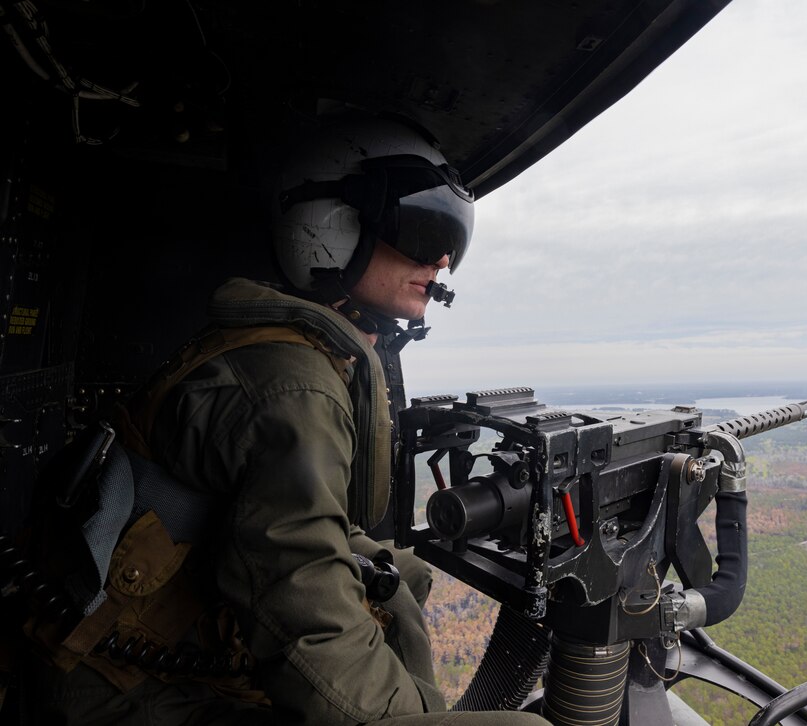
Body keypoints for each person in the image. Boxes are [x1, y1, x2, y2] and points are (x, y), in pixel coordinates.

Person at [24, 116, 550, 725]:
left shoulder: (287, 350)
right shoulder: (296, 386)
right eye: (422, 228)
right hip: (123, 690)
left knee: (398, 576)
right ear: (333, 225)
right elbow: (305, 605)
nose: (440, 258)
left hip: (154, 652)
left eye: (451, 238)